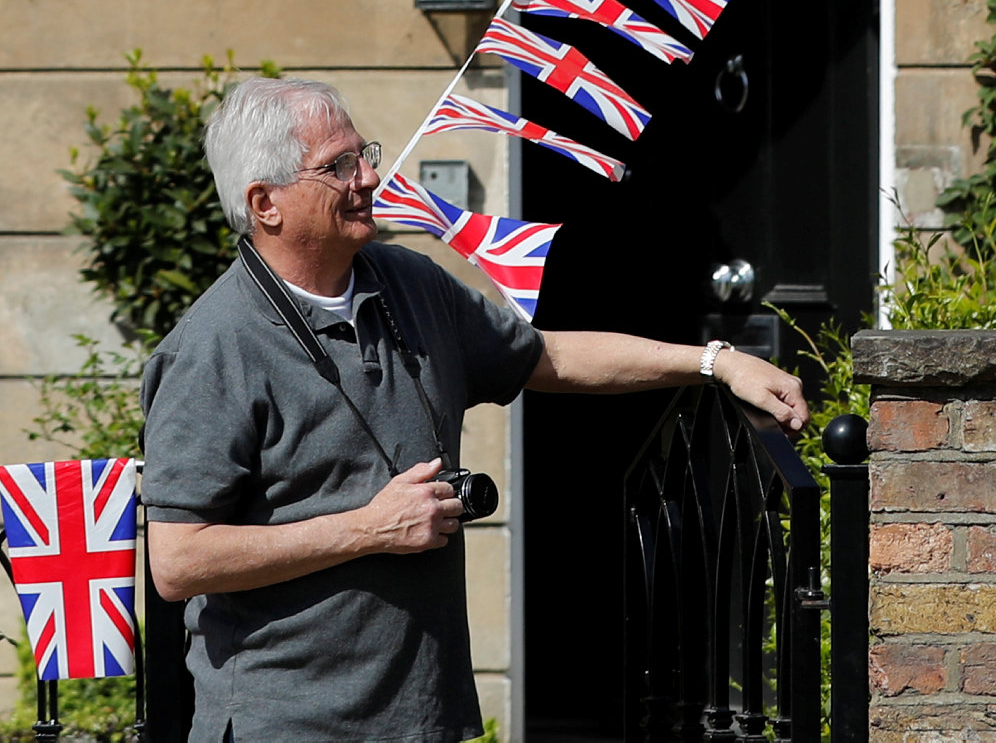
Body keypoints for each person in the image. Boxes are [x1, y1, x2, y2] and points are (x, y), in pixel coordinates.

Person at [141, 76, 808, 743]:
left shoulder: (409, 281)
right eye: (339, 165)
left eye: (363, 153)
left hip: (425, 716)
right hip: (286, 724)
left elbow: (548, 358)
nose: (370, 175)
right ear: (267, 203)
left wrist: (716, 362)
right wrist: (367, 528)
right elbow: (178, 561)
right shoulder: (213, 345)